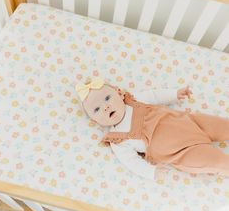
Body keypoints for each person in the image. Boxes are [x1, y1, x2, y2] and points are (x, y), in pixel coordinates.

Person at [75, 77, 229, 181]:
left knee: (221, 125)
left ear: (120, 94)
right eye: (96, 109)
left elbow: (155, 95)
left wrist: (175, 94)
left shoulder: (134, 100)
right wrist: (150, 172)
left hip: (189, 122)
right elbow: (131, 162)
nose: (105, 107)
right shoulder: (118, 139)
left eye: (107, 98)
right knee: (216, 160)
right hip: (181, 152)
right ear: (95, 121)